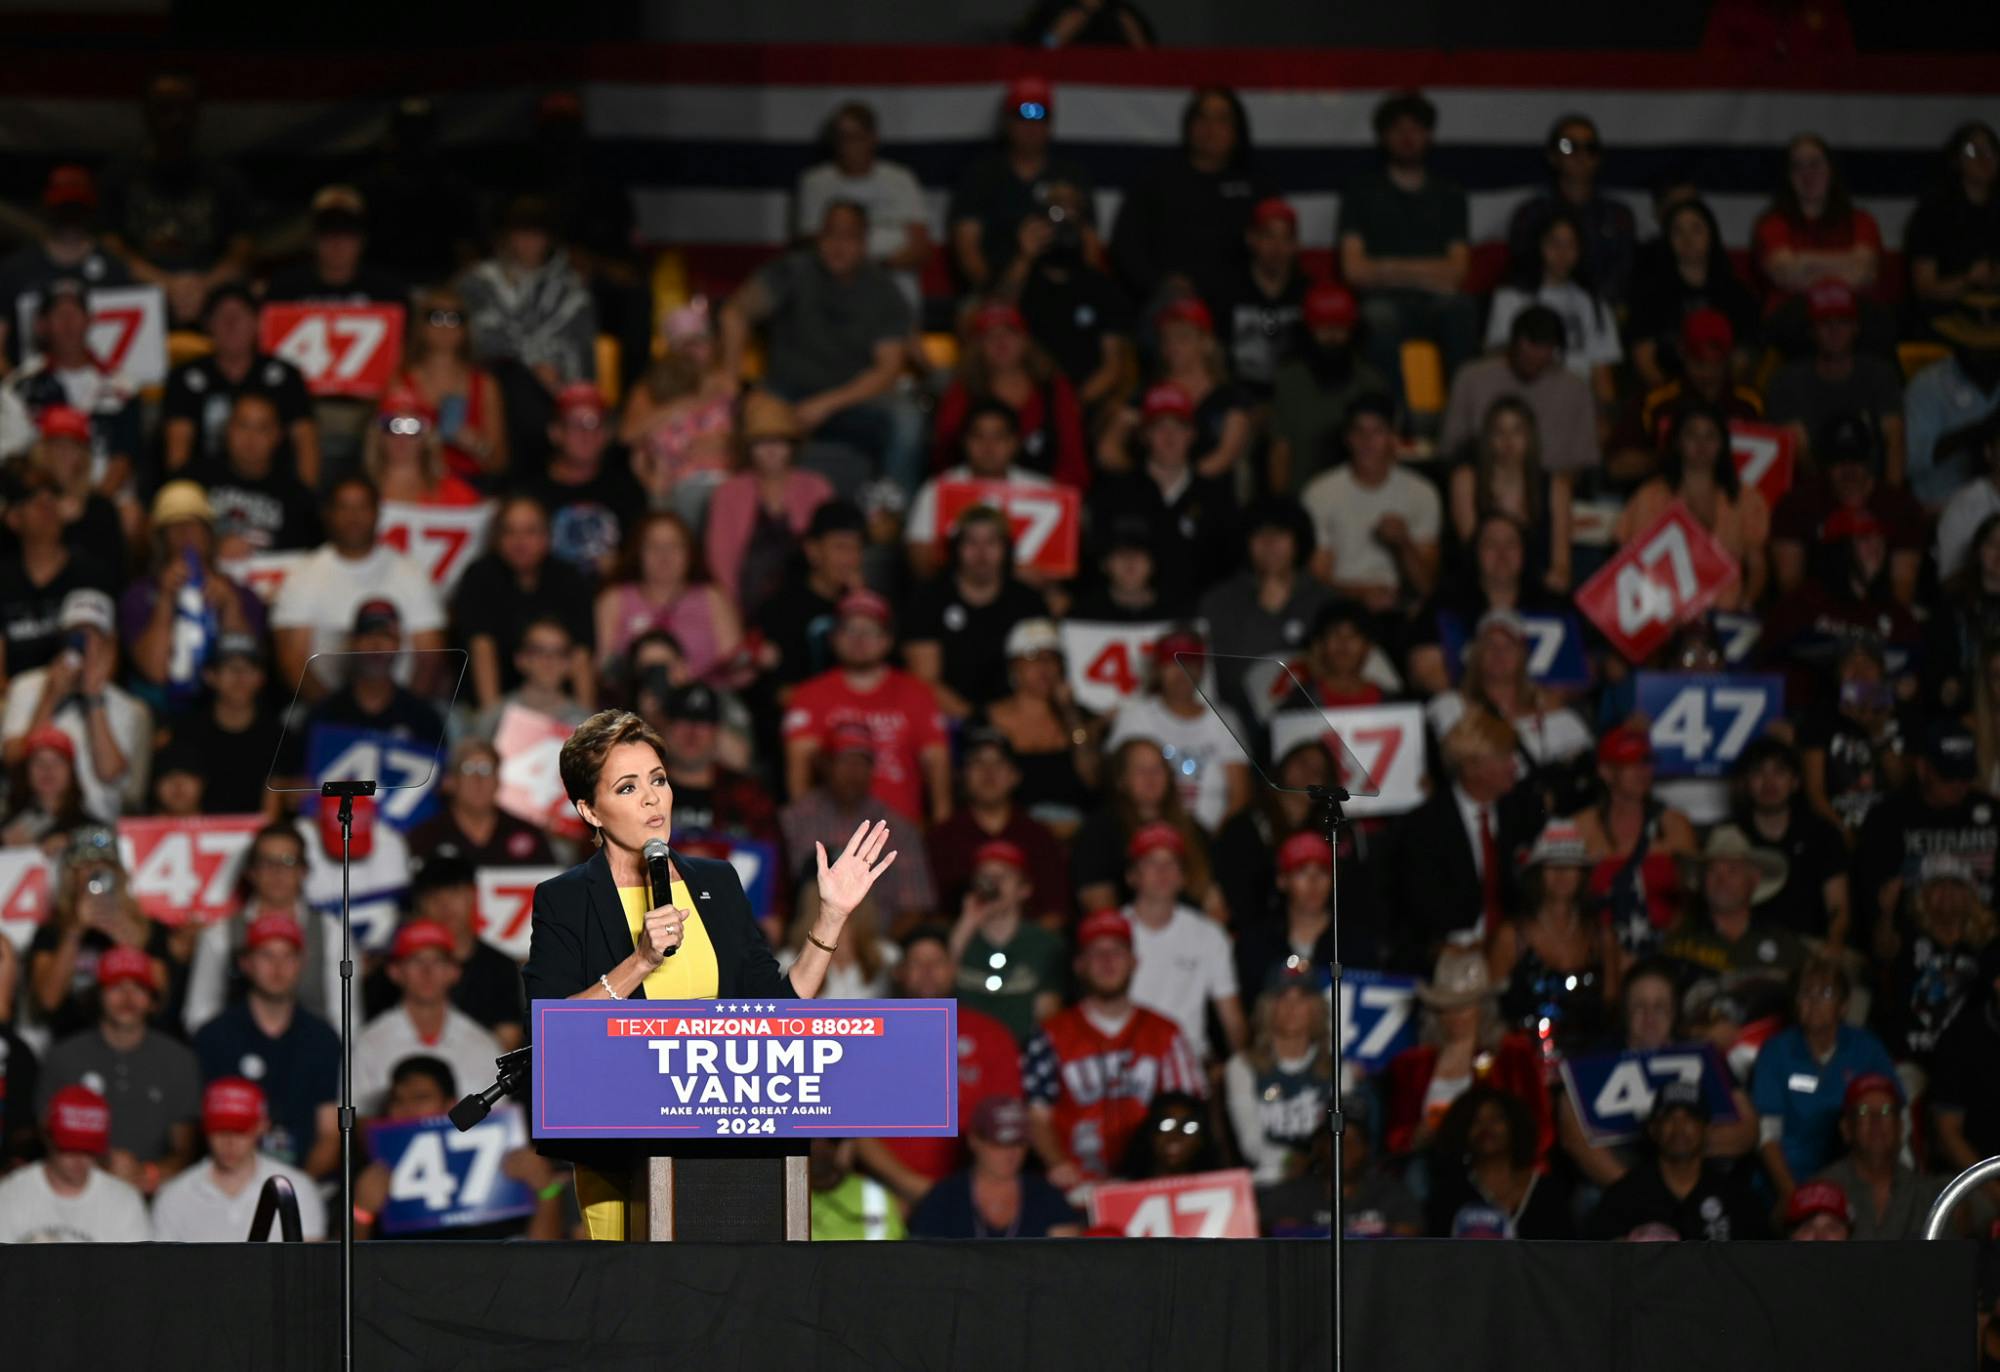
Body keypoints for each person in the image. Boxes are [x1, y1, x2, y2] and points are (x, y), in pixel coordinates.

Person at [521, 710, 900, 1237]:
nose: (653, 798)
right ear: (590, 810)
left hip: (728, 1146)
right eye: (628, 787)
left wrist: (831, 917)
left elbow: (778, 1007)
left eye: (658, 779)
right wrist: (641, 962)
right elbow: (553, 1033)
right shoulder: (565, 901)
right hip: (620, 1152)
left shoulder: (717, 883)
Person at [721, 201, 921, 496]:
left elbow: (887, 370)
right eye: (830, 235)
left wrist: (825, 404)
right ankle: (742, 507)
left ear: (864, 242)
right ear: (818, 238)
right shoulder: (792, 270)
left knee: (908, 420)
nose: (838, 245)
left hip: (852, 401)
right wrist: (729, 375)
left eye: (849, 236)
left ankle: (891, 515)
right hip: (784, 393)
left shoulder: (884, 291)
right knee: (741, 412)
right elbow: (735, 313)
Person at [1022, 910, 1205, 1185]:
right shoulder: (1050, 1036)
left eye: (1117, 952)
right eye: (1096, 953)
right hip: (1076, 1188)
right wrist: (1057, 1165)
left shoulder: (1167, 1033)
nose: (1107, 962)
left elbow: (1190, 1113)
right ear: (1079, 965)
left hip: (1151, 1183)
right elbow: (1036, 1116)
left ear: (1134, 962)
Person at [1338, 89, 1478, 390]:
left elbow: (1458, 272)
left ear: (1429, 135)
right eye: (1399, 130)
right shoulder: (1361, 192)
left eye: (1416, 129)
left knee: (1462, 310)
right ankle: (1395, 425)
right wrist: (1429, 271)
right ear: (1384, 136)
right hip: (1382, 303)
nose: (1408, 137)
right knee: (1376, 318)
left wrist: (1386, 268)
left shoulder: (1450, 195)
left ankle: (1460, 421)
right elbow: (1354, 271)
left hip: (1439, 303)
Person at [188, 900, 340, 1175]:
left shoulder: (322, 1038)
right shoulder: (214, 1037)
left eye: (287, 957)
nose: (278, 968)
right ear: (246, 963)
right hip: (231, 1182)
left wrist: (299, 1191)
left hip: (307, 1184)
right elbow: (203, 1131)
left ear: (301, 963)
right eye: (266, 956)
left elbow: (330, 1133)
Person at [38, 945, 200, 1197]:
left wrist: (149, 1173)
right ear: (98, 995)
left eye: (138, 987)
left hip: (155, 1195)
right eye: (116, 987)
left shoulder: (178, 1059)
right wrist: (98, 1166)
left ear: (152, 998)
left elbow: (185, 1152)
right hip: (77, 1190)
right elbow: (46, 1140)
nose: (128, 997)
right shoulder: (64, 1056)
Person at [1388, 711, 1545, 966]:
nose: (1514, 765)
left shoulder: (1523, 814)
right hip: (1449, 959)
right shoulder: (1423, 826)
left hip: (1517, 954)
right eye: (1503, 756)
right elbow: (1416, 911)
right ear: (1472, 767)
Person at [269, 477, 446, 702]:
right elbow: (292, 661)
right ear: (328, 514)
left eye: (362, 507)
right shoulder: (302, 575)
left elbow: (430, 659)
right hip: (323, 711)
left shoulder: (411, 573)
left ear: (378, 513)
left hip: (404, 713)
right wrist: (336, 717)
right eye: (344, 507)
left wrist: (404, 715)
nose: (353, 517)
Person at [783, 589, 950, 825]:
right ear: (834, 638)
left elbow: (937, 769)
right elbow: (798, 776)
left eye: (870, 631)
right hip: (834, 835)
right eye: (850, 629)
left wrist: (941, 832)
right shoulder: (810, 695)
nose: (859, 639)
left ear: (888, 640)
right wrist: (804, 833)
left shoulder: (917, 694)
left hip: (901, 834)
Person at [98, 72, 251, 325]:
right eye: (164, 107)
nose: (175, 119)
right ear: (147, 113)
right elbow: (109, 248)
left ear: (197, 114)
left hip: (209, 304)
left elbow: (242, 253)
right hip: (137, 303)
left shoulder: (224, 178)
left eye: (183, 107)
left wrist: (203, 286)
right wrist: (167, 285)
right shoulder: (120, 175)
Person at [456, 195, 599, 462]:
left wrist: (565, 389)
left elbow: (583, 359)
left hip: (552, 400)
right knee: (512, 379)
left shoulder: (571, 292)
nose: (528, 243)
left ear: (549, 239)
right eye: (521, 233)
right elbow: (467, 342)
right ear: (507, 237)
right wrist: (531, 365)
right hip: (486, 389)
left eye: (536, 234)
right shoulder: (476, 284)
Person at [1751, 957, 1900, 1211]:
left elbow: (1894, 1116)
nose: (1813, 1001)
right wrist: (1795, 1199)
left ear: (1843, 1006)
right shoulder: (1777, 1050)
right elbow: (1767, 1135)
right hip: (1787, 1179)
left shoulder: (1865, 1048)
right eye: (1805, 993)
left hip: (1854, 1178)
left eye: (1826, 993)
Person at [1380, 946, 1550, 1160]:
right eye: (1447, 1007)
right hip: (1430, 1169)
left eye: (1465, 1006)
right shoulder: (1413, 1064)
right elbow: (1394, 1138)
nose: (1456, 1015)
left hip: (1502, 1166)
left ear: (1483, 1007)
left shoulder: (1513, 1054)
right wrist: (1417, 1136)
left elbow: (1540, 1127)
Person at [1109, 86, 1274, 306]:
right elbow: (1126, 248)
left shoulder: (1257, 187)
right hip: (1168, 305)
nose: (1210, 128)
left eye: (1221, 120)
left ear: (1237, 130)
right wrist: (1159, 284)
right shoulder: (1156, 181)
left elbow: (1276, 250)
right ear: (1189, 125)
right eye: (1202, 118)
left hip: (1241, 306)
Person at [0, 588, 150, 820]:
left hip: (98, 831)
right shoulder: (26, 687)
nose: (83, 646)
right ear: (61, 639)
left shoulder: (125, 706)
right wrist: (51, 696)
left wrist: (93, 698)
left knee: (93, 845)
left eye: (93, 637)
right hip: (32, 823)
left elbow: (110, 774)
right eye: (76, 636)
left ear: (109, 646)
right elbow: (15, 761)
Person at [1085, 381, 1240, 606]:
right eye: (1159, 427)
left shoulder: (1215, 497)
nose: (1169, 437)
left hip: (1198, 616)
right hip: (1130, 616)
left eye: (1178, 426)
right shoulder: (1116, 494)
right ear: (1144, 436)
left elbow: (1230, 568)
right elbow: (1098, 560)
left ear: (1192, 434)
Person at [1854, 719, 2000, 957]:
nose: (1958, 786)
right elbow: (1876, 927)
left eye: (1965, 777)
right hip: (1911, 955)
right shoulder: (1888, 819)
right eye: (1948, 776)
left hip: (1985, 949)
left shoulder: (1992, 814)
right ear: (1923, 769)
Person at [779, 722, 936, 936]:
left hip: (877, 952)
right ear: (825, 764)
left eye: (862, 762)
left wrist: (877, 956)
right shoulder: (792, 821)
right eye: (844, 760)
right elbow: (775, 901)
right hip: (803, 943)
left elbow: (915, 906)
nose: (853, 771)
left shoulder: (899, 828)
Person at [116, 481, 262, 712]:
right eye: (175, 527)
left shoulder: (240, 593)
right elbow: (155, 671)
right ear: (161, 539)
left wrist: (231, 607)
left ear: (209, 533)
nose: (185, 534)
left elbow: (246, 673)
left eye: (194, 525)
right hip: (161, 713)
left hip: (222, 714)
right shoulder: (139, 595)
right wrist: (165, 599)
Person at [3, 280, 144, 512]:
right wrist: (46, 500)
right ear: (41, 325)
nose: (68, 322)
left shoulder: (123, 387)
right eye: (59, 315)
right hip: (38, 498)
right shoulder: (19, 386)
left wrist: (93, 507)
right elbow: (11, 458)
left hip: (104, 497)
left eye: (75, 313)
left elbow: (124, 457)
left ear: (90, 320)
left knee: (130, 515)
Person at [1614, 401, 1770, 610]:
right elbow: (1631, 562)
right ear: (1677, 442)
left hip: (1726, 611)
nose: (1701, 444)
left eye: (1710, 436)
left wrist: (1745, 605)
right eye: (1692, 435)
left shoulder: (1746, 497)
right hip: (1664, 614)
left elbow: (1757, 565)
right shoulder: (1651, 496)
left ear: (1723, 443)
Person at [1488, 819, 1619, 1062]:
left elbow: (1610, 1007)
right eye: (1552, 865)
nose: (1562, 874)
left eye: (1570, 864)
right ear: (1537, 873)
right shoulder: (1511, 937)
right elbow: (1489, 1011)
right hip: (1526, 1066)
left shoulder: (1602, 937)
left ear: (1582, 874)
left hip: (1589, 1063)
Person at [904, 506, 1051, 721]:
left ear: (1006, 549)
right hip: (946, 720)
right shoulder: (929, 598)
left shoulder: (1028, 602)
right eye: (971, 542)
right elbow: (924, 681)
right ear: (956, 549)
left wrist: (1007, 721)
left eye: (991, 542)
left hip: (1016, 720)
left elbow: (1043, 673)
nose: (981, 553)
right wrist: (975, 720)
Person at [1302, 393, 1441, 619]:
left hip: (1402, 609)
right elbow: (1316, 582)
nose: (1367, 441)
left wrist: (1403, 544)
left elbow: (1426, 586)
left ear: (1394, 438)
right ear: (1348, 438)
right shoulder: (1320, 493)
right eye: (1359, 432)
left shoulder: (1422, 493)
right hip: (1340, 608)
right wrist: (1361, 594)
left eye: (1378, 431)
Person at [162, 283, 315, 484]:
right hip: (204, 487)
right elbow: (178, 448)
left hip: (276, 490)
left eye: (239, 316)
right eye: (222, 316)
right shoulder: (185, 377)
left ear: (257, 323)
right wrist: (182, 498)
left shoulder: (285, 376)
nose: (231, 324)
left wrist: (305, 500)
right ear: (208, 325)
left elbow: (305, 442)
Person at [351, 919, 503, 1118]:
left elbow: (499, 1121)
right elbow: (360, 1121)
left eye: (438, 961)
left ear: (454, 972)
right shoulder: (370, 1043)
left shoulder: (483, 1045)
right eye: (416, 961)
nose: (427, 972)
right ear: (395, 972)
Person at [1583, 1080, 1770, 1241]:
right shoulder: (1624, 1197)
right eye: (1668, 1118)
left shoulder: (1735, 1198)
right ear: (1653, 1129)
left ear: (1706, 1129)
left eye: (1690, 1118)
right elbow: (1595, 1262)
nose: (1679, 1127)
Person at [1770, 414, 1926, 607]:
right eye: (1839, 460)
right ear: (1824, 464)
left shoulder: (1900, 507)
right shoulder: (1796, 504)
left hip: (1880, 615)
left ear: (1869, 460)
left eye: (1856, 459)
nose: (1849, 470)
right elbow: (1790, 584)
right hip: (1813, 616)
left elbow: (1903, 588)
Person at [1105, 626, 1248, 834]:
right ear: (1157, 669)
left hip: (1213, 838)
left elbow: (1240, 795)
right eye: (1172, 663)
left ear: (1202, 669)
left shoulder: (1224, 719)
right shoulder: (1135, 717)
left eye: (1191, 663)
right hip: (1144, 836)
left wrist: (1210, 844)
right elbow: (1116, 784)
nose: (1182, 671)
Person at [1120, 821, 1245, 1059]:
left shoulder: (1209, 935)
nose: (1162, 871)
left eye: (1171, 863)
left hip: (1189, 1064)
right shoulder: (1111, 933)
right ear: (1132, 876)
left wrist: (1241, 1072)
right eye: (1151, 863)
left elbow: (1232, 1020)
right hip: (1128, 1061)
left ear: (1183, 876)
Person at [931, 303, 1089, 488]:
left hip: (1044, 499)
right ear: (978, 346)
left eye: (1010, 333)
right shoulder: (963, 390)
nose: (1001, 342)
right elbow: (945, 455)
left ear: (1025, 340)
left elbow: (1073, 460)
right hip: (976, 497)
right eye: (991, 336)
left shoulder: (1054, 389)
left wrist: (1057, 500)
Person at [1752, 133, 1886, 351]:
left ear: (1831, 170)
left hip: (1856, 319)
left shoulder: (1861, 221)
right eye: (1798, 167)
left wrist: (1804, 261)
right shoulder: (1772, 224)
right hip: (1794, 321)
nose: (1808, 174)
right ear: (1788, 176)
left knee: (1878, 325)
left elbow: (1864, 272)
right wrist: (1844, 265)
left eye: (1815, 164)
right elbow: (1785, 274)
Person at [150, 1077, 326, 1242]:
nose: (229, 1142)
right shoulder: (174, 1196)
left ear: (262, 1126)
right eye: (219, 1130)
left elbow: (310, 1268)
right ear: (204, 1129)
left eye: (240, 1131)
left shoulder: (296, 1189)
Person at [702, 393, 833, 614]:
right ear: (748, 448)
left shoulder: (816, 487)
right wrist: (731, 614)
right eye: (762, 442)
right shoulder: (729, 493)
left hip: (807, 604)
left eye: (779, 441)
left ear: (793, 446)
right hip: (745, 605)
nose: (771, 450)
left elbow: (830, 550)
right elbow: (721, 562)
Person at [1098, 297, 1252, 484]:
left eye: (1182, 337)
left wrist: (1179, 483)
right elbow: (1107, 448)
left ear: (1206, 343)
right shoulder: (1149, 393)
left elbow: (1226, 455)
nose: (1173, 347)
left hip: (1208, 497)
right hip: (1152, 498)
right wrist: (1141, 479)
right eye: (1166, 338)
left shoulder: (1231, 397)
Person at [925, 728, 1069, 925]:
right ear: (962, 775)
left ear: (1015, 776)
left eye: (999, 763)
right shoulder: (943, 838)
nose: (988, 772)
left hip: (1027, 947)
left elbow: (1056, 912)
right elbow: (931, 914)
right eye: (977, 763)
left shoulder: (1038, 836)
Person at [795, 101, 931, 310]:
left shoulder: (900, 179)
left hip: (894, 288)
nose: (847, 145)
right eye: (841, 138)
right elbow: (808, 246)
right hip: (835, 292)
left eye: (855, 137)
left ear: (872, 138)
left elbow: (920, 248)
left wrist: (875, 268)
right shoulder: (815, 183)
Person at [1766, 279, 1906, 481]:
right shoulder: (1786, 382)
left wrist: (1891, 501)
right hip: (1815, 496)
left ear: (1856, 327)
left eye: (1843, 321)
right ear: (1811, 330)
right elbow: (1800, 454)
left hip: (1874, 492)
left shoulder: (1881, 375)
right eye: (1825, 322)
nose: (1834, 330)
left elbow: (1895, 441)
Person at [1578, 726, 1699, 956]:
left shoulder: (1674, 824)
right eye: (1630, 764)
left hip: (1668, 948)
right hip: (1603, 951)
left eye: (1646, 762)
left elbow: (1692, 899)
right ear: (1606, 771)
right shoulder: (1582, 828)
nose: (1642, 772)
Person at [1441, 306, 1600, 477]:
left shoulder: (1575, 388)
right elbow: (1451, 448)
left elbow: (1584, 459)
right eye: (1530, 345)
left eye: (1544, 347)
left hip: (1552, 487)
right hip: (1482, 485)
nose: (1535, 356)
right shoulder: (1471, 378)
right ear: (1514, 341)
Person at [1486, 207, 1623, 405]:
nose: (1562, 253)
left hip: (1576, 400)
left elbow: (1602, 376)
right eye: (1554, 244)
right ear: (1539, 245)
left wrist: (1605, 417)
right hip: (1522, 398)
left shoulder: (1594, 305)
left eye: (1571, 245)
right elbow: (1496, 360)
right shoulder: (1509, 297)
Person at [1624, 197, 1761, 391]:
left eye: (1696, 229)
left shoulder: (1736, 294)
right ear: (1667, 239)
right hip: (1667, 394)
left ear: (1711, 235)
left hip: (1724, 395)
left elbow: (1744, 357)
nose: (1687, 239)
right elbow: (1644, 358)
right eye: (1678, 231)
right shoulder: (1649, 294)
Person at [1268, 282, 1392, 494]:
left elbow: (1385, 450)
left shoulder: (1371, 381)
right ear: (1308, 330)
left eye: (1340, 327)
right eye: (1323, 327)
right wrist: (1282, 506)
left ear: (1353, 331)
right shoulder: (1289, 379)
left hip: (1359, 498)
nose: (1333, 337)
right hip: (1302, 497)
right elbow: (1280, 450)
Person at [0, 166, 131, 366]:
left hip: (102, 385)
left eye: (76, 209)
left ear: (90, 209)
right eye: (63, 209)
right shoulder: (15, 270)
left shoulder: (114, 269)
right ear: (47, 208)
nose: (70, 217)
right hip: (31, 387)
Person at [1070, 737, 1214, 918]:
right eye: (1140, 770)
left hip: (1190, 933)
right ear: (1120, 780)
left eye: (1157, 769)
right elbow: (1098, 905)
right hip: (1127, 936)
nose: (1150, 777)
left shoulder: (1193, 831)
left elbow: (1215, 901)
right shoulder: (1099, 832)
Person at [592, 511, 742, 685]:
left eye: (674, 546)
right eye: (653, 546)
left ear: (689, 553)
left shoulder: (713, 597)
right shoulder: (614, 598)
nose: (664, 556)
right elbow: (603, 670)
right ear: (638, 553)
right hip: (632, 703)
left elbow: (737, 670)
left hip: (703, 701)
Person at [0, 459, 116, 680]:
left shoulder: (91, 574)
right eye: (32, 498)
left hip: (81, 697)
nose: (47, 504)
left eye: (53, 495)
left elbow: (106, 657)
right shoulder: (4, 580)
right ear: (13, 518)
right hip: (14, 701)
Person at [1507, 113, 1638, 307]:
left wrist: (1588, 307)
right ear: (1552, 156)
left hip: (1603, 312)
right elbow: (1523, 271)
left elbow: (1624, 275)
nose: (1581, 155)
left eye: (1590, 148)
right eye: (1569, 147)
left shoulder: (1618, 216)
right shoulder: (1532, 214)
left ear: (1598, 158)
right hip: (1542, 311)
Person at [1874, 853, 1991, 1070]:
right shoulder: (1907, 936)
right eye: (1937, 884)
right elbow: (1884, 950)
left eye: (1956, 885)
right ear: (1922, 895)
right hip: (1911, 1059)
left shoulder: (1987, 946)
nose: (1946, 892)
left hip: (1973, 1063)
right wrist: (1887, 913)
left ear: (1971, 896)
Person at [982, 618, 1098, 831]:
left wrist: (1070, 715)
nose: (1045, 667)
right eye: (1033, 658)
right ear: (1013, 666)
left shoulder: (1079, 716)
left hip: (1074, 829)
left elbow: (1093, 779)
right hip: (1009, 831)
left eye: (1051, 658)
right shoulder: (986, 718)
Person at [906, 1095, 1080, 1238]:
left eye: (1017, 1144)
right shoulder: (945, 1198)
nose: (1010, 1154)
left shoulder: (1046, 1197)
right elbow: (925, 1265)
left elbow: (1065, 1262)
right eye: (999, 1144)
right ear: (974, 1140)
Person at [1447, 397, 1573, 592]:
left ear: (1531, 436)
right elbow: (1475, 554)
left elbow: (1562, 564)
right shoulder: (1466, 480)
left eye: (1517, 431)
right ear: (1488, 438)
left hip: (1537, 589)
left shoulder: (1556, 486)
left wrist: (1555, 580)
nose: (1508, 441)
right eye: (1499, 432)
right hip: (1481, 589)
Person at [1734, 737, 1850, 948]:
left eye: (1779, 772)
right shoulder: (1732, 836)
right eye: (1758, 773)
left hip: (1811, 948)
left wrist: (1832, 948)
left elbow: (1838, 907)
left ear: (1796, 781)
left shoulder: (1822, 834)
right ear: (1745, 783)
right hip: (1747, 949)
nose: (1769, 783)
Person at [946, 839, 1065, 1044]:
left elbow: (1049, 1019)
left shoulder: (1046, 945)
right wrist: (966, 926)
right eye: (984, 877)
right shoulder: (957, 937)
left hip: (1021, 1058)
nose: (992, 884)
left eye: (1002, 877)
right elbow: (934, 995)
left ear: (1024, 889)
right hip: (963, 1057)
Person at [1224, 964, 1332, 1186]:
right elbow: (1251, 1143)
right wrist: (1292, 1159)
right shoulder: (1241, 1067)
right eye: (1282, 998)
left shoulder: (1338, 1069)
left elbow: (1345, 1141)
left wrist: (1313, 1164)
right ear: (1267, 1007)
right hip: (1267, 1184)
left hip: (1323, 1185)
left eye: (1301, 999)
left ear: (1316, 1008)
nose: (1291, 1008)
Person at [0, 1086, 151, 1242]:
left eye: (88, 1149)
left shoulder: (124, 1201)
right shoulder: (9, 1195)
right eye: (69, 1148)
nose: (79, 1159)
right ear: (48, 1138)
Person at [394, 287, 508, 488]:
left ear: (466, 328)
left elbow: (499, 464)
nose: (445, 325)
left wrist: (477, 445)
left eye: (455, 318)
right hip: (415, 485)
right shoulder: (399, 381)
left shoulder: (484, 384)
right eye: (435, 317)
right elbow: (380, 448)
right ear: (420, 325)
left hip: (470, 486)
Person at [1809, 1073, 1945, 1240]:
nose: (1876, 1120)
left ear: (1901, 1127)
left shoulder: (1929, 1196)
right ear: (1846, 1128)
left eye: (1887, 1111)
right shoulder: (1819, 1193)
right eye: (1863, 1111)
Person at [1425, 1085, 1573, 1239]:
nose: (1486, 1128)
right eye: (1475, 1121)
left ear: (1515, 1125)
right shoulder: (1449, 1196)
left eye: (1496, 1118)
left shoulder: (1548, 1192)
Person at [189, 393, 323, 559]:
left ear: (278, 435)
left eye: (262, 428)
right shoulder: (192, 482)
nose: (250, 438)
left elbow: (313, 558)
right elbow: (167, 541)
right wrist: (212, 548)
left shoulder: (297, 498)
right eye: (243, 425)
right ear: (227, 428)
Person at [1929, 944, 2000, 1235]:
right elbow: (1947, 1134)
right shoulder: (1961, 1038)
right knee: (1960, 1213)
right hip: (1976, 1180)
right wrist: (1995, 1191)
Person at [1905, 297, 2000, 512]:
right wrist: (1977, 432)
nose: (1985, 354)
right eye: (1976, 346)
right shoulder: (1928, 385)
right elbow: (1910, 461)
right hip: (1939, 507)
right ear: (1958, 344)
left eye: (1992, 347)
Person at [1210, 196, 1312, 398]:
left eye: (1286, 238)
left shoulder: (1308, 292)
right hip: (1239, 396)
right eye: (1268, 236)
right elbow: (1215, 353)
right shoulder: (1227, 291)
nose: (1277, 248)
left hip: (1295, 397)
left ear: (1296, 244)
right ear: (1251, 238)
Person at [1905, 123, 2000, 328]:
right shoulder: (1933, 212)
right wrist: (1968, 280)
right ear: (1956, 159)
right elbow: (1924, 287)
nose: (1985, 158)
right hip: (1942, 323)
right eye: (1973, 150)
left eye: (1992, 150)